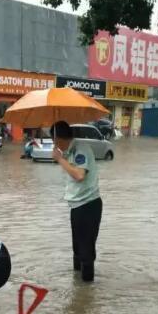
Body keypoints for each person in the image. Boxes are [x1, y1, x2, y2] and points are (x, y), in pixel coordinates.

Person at [50, 120, 103, 282]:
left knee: (85, 250)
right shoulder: (71, 151)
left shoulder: (81, 150)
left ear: (59, 139)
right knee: (77, 249)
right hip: (77, 206)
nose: (56, 145)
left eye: (54, 141)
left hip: (88, 205)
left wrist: (60, 159)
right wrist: (61, 157)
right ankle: (78, 289)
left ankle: (86, 294)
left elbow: (79, 175)